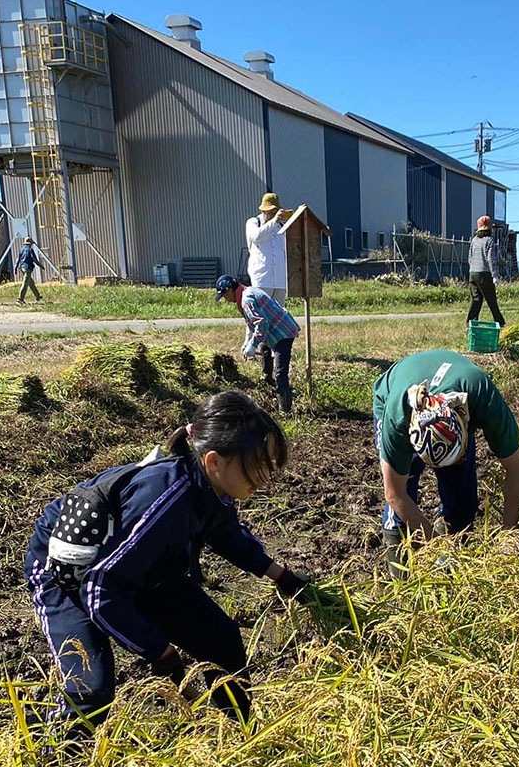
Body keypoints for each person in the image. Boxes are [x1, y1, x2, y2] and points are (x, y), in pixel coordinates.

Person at [24, 391, 310, 738]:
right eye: (258, 464)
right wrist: (159, 652)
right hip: (70, 575)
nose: (265, 477)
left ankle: (243, 733)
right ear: (215, 461)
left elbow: (227, 536)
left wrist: (283, 578)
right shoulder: (164, 501)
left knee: (221, 638)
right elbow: (100, 590)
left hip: (136, 567)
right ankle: (57, 756)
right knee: (92, 688)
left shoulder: (211, 489)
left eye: (269, 464)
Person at [373, 349, 519, 576]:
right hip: (393, 391)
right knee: (403, 496)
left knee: (462, 499)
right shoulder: (397, 419)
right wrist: (438, 549)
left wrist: (509, 535)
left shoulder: (482, 396)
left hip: (460, 390)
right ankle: (400, 575)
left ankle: (452, 545)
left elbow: (517, 468)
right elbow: (394, 494)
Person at [216, 274, 300, 412]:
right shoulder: (247, 292)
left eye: (224, 295)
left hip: (283, 333)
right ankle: (268, 381)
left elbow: (261, 323)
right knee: (264, 349)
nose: (225, 299)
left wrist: (253, 344)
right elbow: (255, 323)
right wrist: (250, 341)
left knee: (280, 372)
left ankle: (285, 410)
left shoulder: (246, 300)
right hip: (276, 330)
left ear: (230, 290)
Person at [245, 192, 289, 304]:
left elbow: (287, 248)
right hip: (262, 279)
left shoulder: (282, 226)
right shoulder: (254, 222)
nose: (273, 215)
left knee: (279, 312)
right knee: (262, 311)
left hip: (280, 279)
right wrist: (274, 222)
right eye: (270, 212)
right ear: (263, 211)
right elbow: (256, 236)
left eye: (275, 212)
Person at [466, 215, 505, 327]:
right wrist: (495, 275)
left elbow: (470, 258)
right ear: (489, 229)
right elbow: (491, 259)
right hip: (484, 274)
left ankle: (470, 324)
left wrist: (473, 268)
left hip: (472, 273)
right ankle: (500, 323)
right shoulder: (489, 241)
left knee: (476, 300)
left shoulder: (474, 240)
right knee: (491, 300)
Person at [16, 236, 43, 304]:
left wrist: (15, 267)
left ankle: (38, 296)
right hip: (27, 268)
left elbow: (18, 259)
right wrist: (40, 266)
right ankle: (20, 299)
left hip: (22, 267)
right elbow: (34, 259)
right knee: (25, 283)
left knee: (31, 283)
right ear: (30, 244)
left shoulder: (21, 249)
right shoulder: (30, 249)